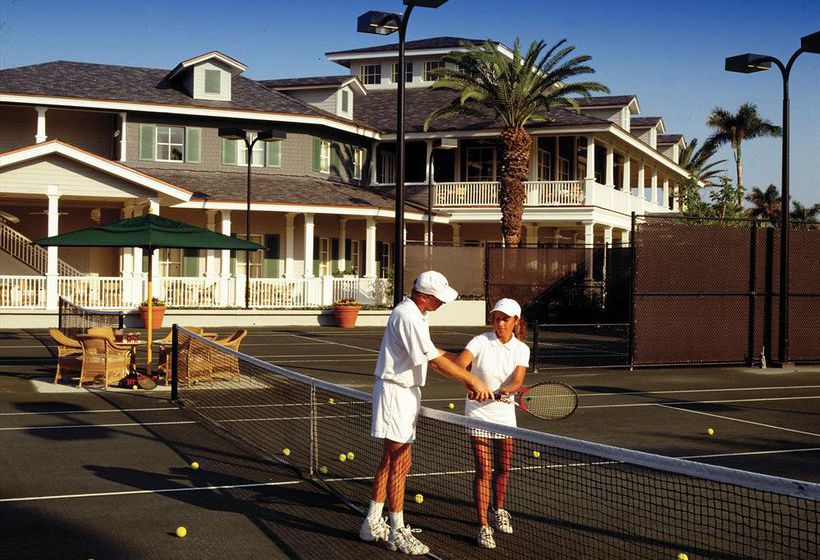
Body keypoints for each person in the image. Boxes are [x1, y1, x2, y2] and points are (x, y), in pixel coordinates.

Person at [359, 270, 493, 555]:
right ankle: (397, 531)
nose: (442, 303)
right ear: (423, 295)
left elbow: (432, 350)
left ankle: (371, 522)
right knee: (400, 462)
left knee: (390, 458)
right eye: (438, 298)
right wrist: (470, 380)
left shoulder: (416, 315)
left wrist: (459, 363)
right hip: (396, 392)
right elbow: (433, 361)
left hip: (404, 393)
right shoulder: (407, 315)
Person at [455, 298, 529, 549]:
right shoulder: (479, 342)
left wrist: (506, 390)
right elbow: (459, 366)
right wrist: (471, 384)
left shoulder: (521, 349)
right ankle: (484, 525)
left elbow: (518, 380)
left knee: (504, 468)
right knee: (484, 470)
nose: (499, 323)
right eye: (496, 318)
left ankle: (498, 509)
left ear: (516, 322)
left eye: (505, 319)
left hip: (505, 415)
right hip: (478, 413)